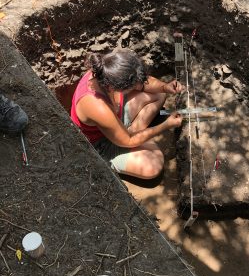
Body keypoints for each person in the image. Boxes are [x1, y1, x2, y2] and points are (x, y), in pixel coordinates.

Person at [71, 48, 184, 180]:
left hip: (115, 117)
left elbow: (143, 83)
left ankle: (133, 132)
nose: (140, 85)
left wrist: (165, 87)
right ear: (115, 87)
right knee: (153, 166)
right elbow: (128, 140)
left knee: (159, 93)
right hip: (100, 144)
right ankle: (125, 146)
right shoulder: (97, 106)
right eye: (133, 86)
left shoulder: (109, 70)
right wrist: (166, 125)